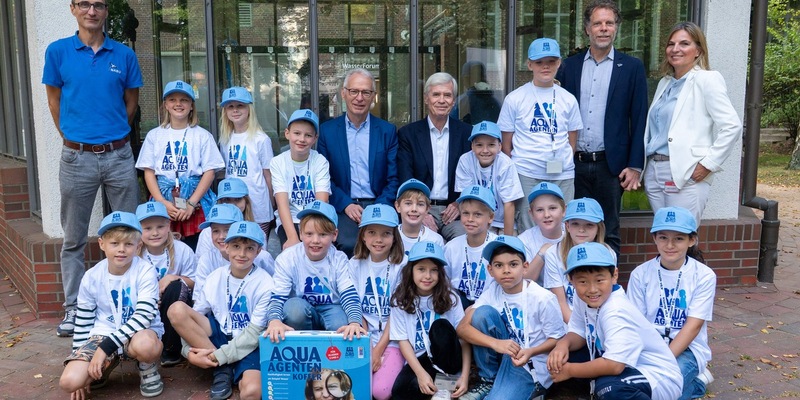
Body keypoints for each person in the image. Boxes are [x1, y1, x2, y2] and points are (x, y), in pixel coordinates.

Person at [44, 0, 142, 337]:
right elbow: (54, 101)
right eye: (84, 4)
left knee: (129, 232)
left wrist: (111, 135)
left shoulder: (124, 55)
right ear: (73, 8)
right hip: (77, 158)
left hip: (118, 155)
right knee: (73, 238)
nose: (92, 11)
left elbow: (131, 103)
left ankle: (132, 304)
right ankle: (74, 308)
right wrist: (74, 138)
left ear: (106, 11)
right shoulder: (58, 52)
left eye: (98, 5)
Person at [556, 0, 648, 255]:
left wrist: (635, 165)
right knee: (573, 228)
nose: (604, 28)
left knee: (609, 229)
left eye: (609, 23)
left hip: (611, 165)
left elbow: (639, 118)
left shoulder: (631, 67)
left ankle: (609, 279)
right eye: (598, 23)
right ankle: (575, 277)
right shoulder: (569, 66)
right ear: (588, 29)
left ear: (616, 27)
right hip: (573, 163)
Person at [546, 242, 683, 400]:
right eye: (583, 281)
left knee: (610, 388)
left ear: (614, 275)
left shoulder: (616, 310)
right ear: (571, 280)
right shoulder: (583, 297)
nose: (592, 289)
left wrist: (570, 370)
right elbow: (579, 331)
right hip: (627, 366)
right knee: (563, 358)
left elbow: (614, 365)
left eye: (599, 280)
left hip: (657, 375)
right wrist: (562, 345)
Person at [643, 21, 741, 223]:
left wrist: (708, 164)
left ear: (698, 51)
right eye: (671, 44)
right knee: (663, 233)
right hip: (654, 171)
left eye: (684, 44)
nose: (675, 49)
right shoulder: (665, 83)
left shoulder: (707, 79)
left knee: (681, 233)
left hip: (684, 172)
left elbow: (732, 126)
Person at [59, 211, 165, 398]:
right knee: (70, 382)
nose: (121, 249)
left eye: (128, 244)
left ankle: (147, 367)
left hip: (139, 334)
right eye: (114, 243)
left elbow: (143, 317)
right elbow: (83, 322)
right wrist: (79, 355)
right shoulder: (91, 276)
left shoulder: (145, 271)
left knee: (146, 345)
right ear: (102, 244)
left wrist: (105, 349)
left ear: (138, 246)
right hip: (103, 333)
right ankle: (105, 366)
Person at [168, 221, 274, 400]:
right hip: (219, 335)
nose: (242, 254)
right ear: (226, 247)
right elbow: (194, 317)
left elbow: (254, 334)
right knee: (177, 310)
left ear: (258, 251)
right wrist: (188, 352)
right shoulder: (215, 276)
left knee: (253, 392)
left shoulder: (266, 283)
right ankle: (223, 370)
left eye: (249, 248)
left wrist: (219, 356)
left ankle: (222, 364)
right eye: (236, 246)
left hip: (248, 343)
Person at [457, 236, 565, 400]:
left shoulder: (543, 298)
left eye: (513, 264)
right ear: (490, 270)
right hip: (505, 353)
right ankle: (489, 380)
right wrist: (496, 343)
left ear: (525, 267)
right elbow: (462, 328)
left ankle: (533, 388)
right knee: (481, 314)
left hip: (529, 363)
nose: (506, 270)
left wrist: (531, 351)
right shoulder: (493, 291)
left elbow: (557, 339)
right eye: (499, 265)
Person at [627, 207, 716, 399]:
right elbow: (636, 323)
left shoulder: (704, 276)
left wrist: (662, 361)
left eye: (679, 238)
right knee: (631, 387)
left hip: (687, 349)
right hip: (649, 347)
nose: (670, 245)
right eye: (663, 237)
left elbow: (693, 327)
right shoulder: (640, 274)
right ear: (654, 238)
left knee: (659, 390)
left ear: (691, 240)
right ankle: (697, 384)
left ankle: (696, 383)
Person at [498, 38, 583, 232]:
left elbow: (572, 140)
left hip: (562, 174)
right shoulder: (515, 98)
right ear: (529, 64)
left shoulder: (568, 99)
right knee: (528, 225)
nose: (545, 66)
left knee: (562, 225)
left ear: (559, 63)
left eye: (551, 61)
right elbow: (506, 144)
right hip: (527, 172)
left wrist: (562, 159)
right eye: (539, 62)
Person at [318, 68, 399, 257]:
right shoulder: (328, 131)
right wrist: (346, 204)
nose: (359, 98)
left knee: (385, 244)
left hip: (379, 203)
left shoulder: (387, 131)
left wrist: (378, 206)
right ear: (344, 93)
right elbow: (324, 178)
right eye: (354, 91)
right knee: (348, 243)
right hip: (344, 205)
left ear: (373, 96)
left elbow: (394, 177)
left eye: (366, 92)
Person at [136, 80, 225, 250]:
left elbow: (209, 172)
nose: (178, 104)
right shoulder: (154, 135)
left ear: (191, 105)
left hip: (195, 200)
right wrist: (162, 202)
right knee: (163, 246)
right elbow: (149, 172)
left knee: (196, 246)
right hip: (163, 198)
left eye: (184, 100)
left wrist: (191, 203)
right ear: (165, 105)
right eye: (172, 100)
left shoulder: (202, 135)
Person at [264, 201, 366, 342]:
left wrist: (355, 322)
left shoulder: (339, 259)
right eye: (309, 234)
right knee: (294, 309)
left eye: (323, 234)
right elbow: (277, 296)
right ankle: (303, 345)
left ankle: (331, 352)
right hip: (301, 308)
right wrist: (274, 320)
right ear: (300, 233)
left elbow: (349, 294)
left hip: (331, 306)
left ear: (334, 235)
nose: (315, 240)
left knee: (341, 324)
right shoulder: (288, 258)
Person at [389, 241, 471, 399]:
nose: (428, 276)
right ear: (410, 270)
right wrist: (420, 374)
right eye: (421, 269)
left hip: (448, 358)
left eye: (434, 270)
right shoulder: (400, 299)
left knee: (440, 327)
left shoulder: (451, 298)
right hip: (422, 358)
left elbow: (464, 339)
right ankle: (436, 387)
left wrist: (465, 376)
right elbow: (403, 340)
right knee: (399, 391)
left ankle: (446, 386)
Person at [398, 72, 473, 241]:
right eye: (436, 94)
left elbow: (473, 175)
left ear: (454, 101)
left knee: (466, 240)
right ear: (426, 98)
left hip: (455, 210)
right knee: (423, 242)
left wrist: (460, 203)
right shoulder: (408, 134)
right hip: (420, 208)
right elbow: (405, 177)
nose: (441, 100)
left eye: (447, 95)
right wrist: (421, 210)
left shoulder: (467, 133)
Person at [349, 204, 407, 400]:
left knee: (380, 392)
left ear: (394, 237)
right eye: (372, 232)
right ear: (363, 236)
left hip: (393, 339)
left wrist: (379, 349)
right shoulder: (354, 264)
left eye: (386, 234)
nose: (378, 239)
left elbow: (398, 313)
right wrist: (368, 346)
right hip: (365, 336)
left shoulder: (403, 265)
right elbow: (356, 307)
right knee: (355, 386)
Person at [135, 202, 196, 367]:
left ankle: (170, 349)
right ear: (138, 230)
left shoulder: (182, 250)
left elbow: (194, 282)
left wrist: (172, 277)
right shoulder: (134, 254)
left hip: (172, 306)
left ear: (168, 225)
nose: (155, 233)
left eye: (160, 227)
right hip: (146, 307)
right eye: (148, 228)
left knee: (176, 286)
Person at [542, 198, 614, 323]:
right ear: (567, 226)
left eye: (589, 224)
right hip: (568, 322)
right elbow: (560, 303)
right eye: (575, 224)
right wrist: (578, 330)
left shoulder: (608, 252)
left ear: (598, 227)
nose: (581, 230)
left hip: (599, 319)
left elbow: (607, 297)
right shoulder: (553, 253)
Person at [218, 86, 275, 238]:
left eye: (240, 105)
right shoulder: (225, 139)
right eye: (230, 106)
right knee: (237, 244)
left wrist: (272, 202)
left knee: (258, 245)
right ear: (225, 111)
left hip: (258, 204)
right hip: (233, 204)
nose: (235, 110)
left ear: (249, 109)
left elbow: (268, 174)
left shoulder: (261, 139)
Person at [270, 109, 331, 249]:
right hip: (290, 221)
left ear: (315, 138)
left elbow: (321, 201)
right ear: (287, 133)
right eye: (297, 133)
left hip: (315, 218)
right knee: (292, 251)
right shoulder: (277, 162)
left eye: (308, 135)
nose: (302, 139)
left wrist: (312, 232)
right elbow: (282, 203)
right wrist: (292, 237)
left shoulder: (320, 161)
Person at [455, 121, 524, 235]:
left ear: (500, 146)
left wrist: (507, 240)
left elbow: (509, 203)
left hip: (503, 220)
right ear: (472, 146)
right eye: (479, 145)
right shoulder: (465, 160)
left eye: (491, 145)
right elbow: (466, 201)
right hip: (478, 219)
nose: (485, 150)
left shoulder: (505, 163)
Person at [193, 203, 275, 299]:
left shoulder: (262, 257)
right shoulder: (207, 259)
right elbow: (199, 298)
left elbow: (274, 290)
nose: (221, 236)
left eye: (227, 230)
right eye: (215, 231)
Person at [444, 185, 498, 309]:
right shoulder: (451, 247)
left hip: (489, 305)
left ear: (490, 217)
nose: (470, 219)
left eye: (477, 214)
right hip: (458, 304)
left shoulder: (497, 246)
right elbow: (444, 283)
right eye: (465, 213)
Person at [194, 177, 256, 261]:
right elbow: (202, 262)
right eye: (227, 200)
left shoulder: (255, 229)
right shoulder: (207, 232)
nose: (232, 205)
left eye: (237, 199)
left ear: (246, 201)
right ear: (219, 202)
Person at [517, 182, 566, 286]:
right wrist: (541, 254)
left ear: (564, 210)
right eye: (539, 210)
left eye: (552, 208)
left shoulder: (573, 233)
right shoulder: (524, 240)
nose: (546, 215)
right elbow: (524, 282)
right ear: (531, 214)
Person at [395, 179, 445, 255]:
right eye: (408, 203)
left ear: (427, 209)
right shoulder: (391, 236)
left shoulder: (435, 240)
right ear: (398, 206)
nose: (414, 209)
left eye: (420, 204)